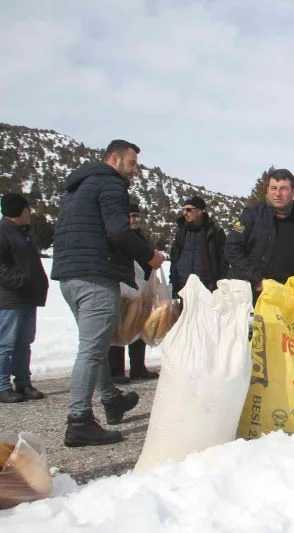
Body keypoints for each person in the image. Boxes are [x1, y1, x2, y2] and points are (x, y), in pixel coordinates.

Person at [52, 139, 165, 447]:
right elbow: (119, 231)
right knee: (91, 349)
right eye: (131, 164)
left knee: (96, 344)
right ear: (114, 159)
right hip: (96, 275)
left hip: (69, 276)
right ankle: (79, 421)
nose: (134, 172)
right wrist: (149, 256)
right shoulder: (110, 184)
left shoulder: (76, 188)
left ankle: (111, 398)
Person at [225, 169, 294, 303]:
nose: (277, 193)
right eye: (273, 188)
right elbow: (232, 248)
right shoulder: (251, 215)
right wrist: (257, 280)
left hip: (291, 297)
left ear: (293, 191)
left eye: (283, 188)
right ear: (267, 190)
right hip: (256, 294)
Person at [0, 193, 48, 403]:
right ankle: (2, 385)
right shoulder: (3, 232)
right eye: (27, 210)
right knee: (6, 343)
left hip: (27, 298)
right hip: (10, 298)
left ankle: (23, 382)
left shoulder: (23, 233)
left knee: (24, 342)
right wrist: (19, 282)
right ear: (21, 211)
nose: (30, 213)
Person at [108, 205, 159, 384]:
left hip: (141, 289)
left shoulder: (141, 238)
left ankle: (138, 368)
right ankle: (116, 371)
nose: (135, 219)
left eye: (137, 216)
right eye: (131, 216)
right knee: (119, 328)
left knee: (140, 328)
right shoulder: (118, 237)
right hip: (123, 287)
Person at [168, 196, 228, 297]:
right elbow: (174, 258)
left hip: (205, 286)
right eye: (183, 209)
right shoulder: (181, 231)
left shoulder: (214, 231)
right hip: (183, 284)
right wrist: (173, 280)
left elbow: (223, 259)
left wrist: (220, 283)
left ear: (200, 211)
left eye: (188, 210)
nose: (184, 213)